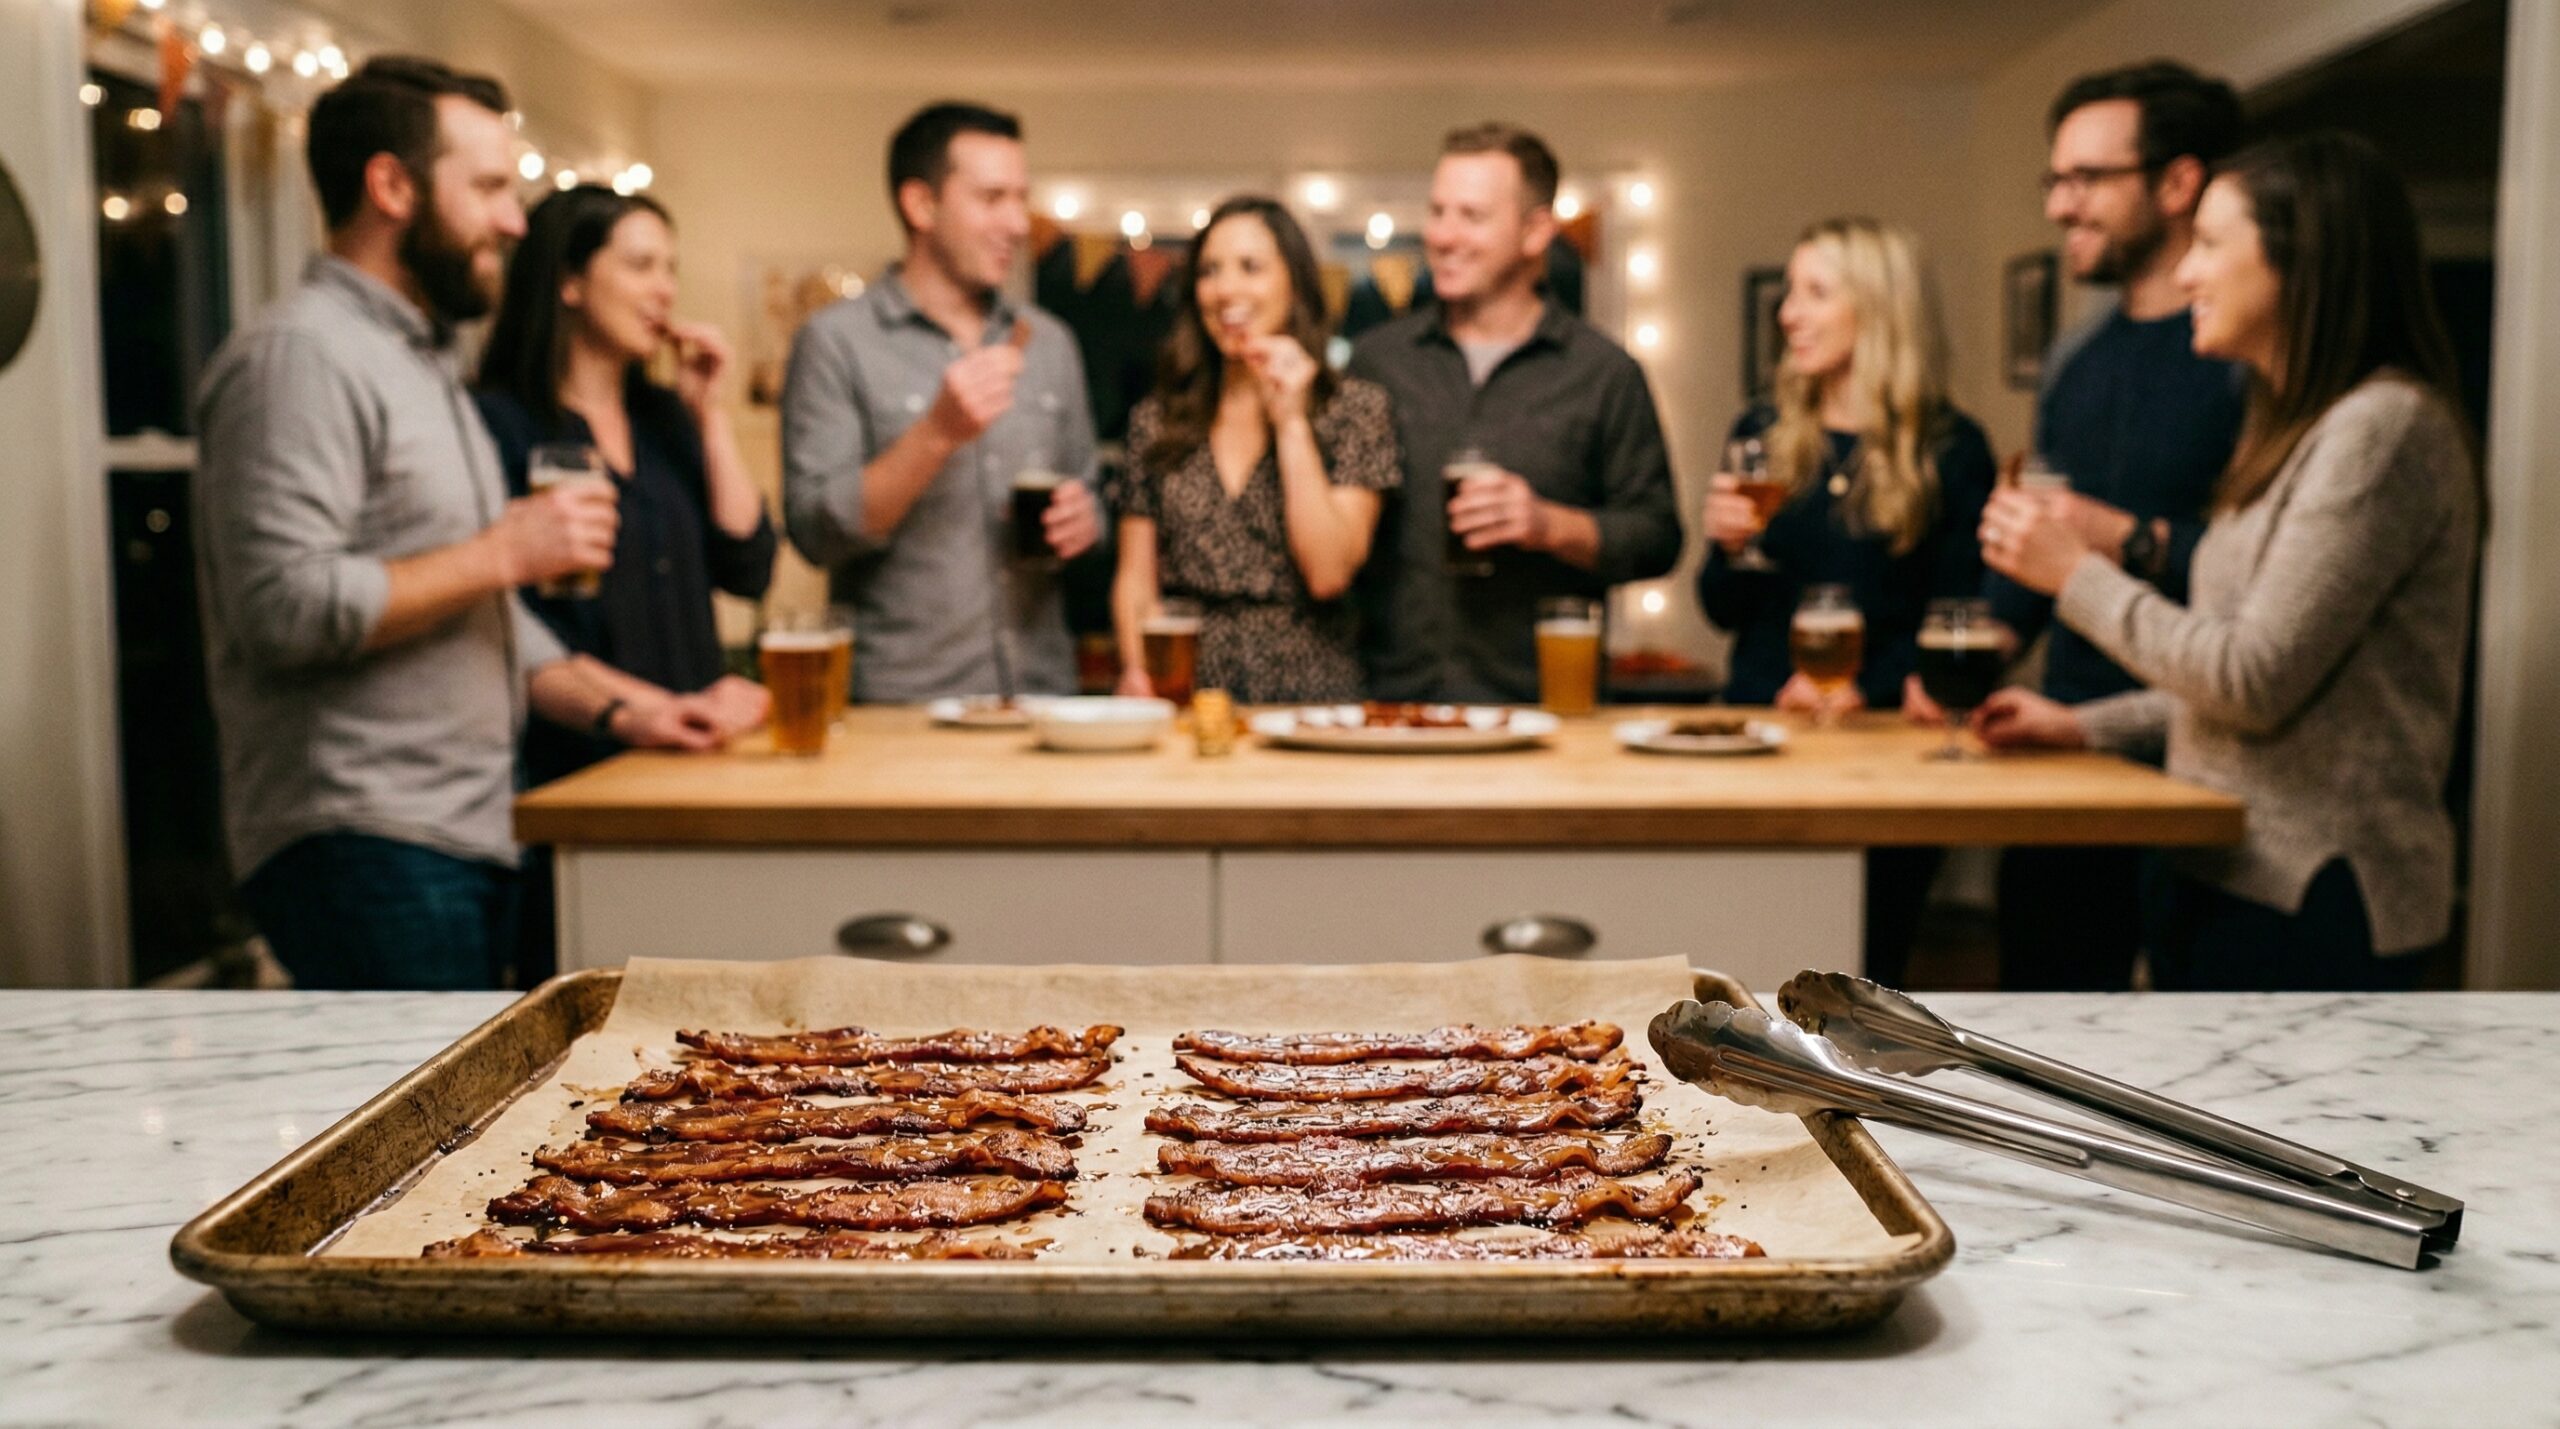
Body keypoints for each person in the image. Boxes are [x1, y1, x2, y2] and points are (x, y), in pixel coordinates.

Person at [193, 58, 730, 992]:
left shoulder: (421, 362)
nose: (516, 221)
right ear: (391, 185)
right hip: (366, 839)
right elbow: (279, 607)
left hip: (465, 832)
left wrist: (633, 708)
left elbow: (480, 611)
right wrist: (503, 550)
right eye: (488, 188)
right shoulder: (300, 357)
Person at [1976, 131, 2478, 993]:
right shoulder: (2286, 434)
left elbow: (2252, 678)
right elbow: (2232, 681)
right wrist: (2084, 725)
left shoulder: (2383, 429)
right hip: (2225, 865)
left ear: (2300, 261)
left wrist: (2074, 573)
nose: (2188, 274)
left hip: (2321, 889)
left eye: (2211, 244)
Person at [1980, 60, 2249, 992]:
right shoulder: (2075, 356)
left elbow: (2265, 574)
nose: (2060, 205)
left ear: (2178, 184)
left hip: (2201, 750)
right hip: (2065, 743)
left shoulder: (2245, 359)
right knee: (2041, 1010)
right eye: (2054, 180)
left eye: (2087, 178)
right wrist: (1985, 638)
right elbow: (2043, 543)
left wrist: (2121, 537)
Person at [475, 184, 780, 980]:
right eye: (641, 264)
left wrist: (710, 413)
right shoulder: (500, 423)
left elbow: (750, 563)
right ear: (569, 281)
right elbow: (512, 622)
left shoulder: (666, 421)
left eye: (671, 268)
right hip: (579, 772)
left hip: (693, 763)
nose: (665, 290)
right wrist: (645, 710)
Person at [1695, 216, 1995, 988]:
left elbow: (1959, 616)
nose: (1788, 311)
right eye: (1789, 291)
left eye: (1815, 292)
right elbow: (1721, 607)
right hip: (1760, 733)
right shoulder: (1761, 431)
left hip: (1890, 747)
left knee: (1865, 970)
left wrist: (1860, 686)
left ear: (1879, 307)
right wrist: (1727, 547)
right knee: (1744, 960)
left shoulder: (1952, 449)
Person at [780, 100, 1103, 702]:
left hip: (1042, 696)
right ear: (921, 205)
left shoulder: (1050, 342)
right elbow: (815, 533)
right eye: (991, 198)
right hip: (905, 706)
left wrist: (1086, 521)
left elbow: (1089, 496)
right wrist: (935, 434)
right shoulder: (836, 342)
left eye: (1020, 197)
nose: (1017, 222)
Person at [1348, 123, 1680, 703]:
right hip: (1392, 703)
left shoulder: (1603, 373)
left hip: (1540, 708)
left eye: (1471, 217)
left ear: (1535, 232)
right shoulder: (1379, 361)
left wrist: (1548, 524)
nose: (1443, 236)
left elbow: (1657, 537)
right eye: (1437, 212)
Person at [1108, 197, 1398, 703]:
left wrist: (1290, 422)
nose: (1226, 290)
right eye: (1210, 271)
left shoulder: (1355, 410)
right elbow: (1136, 577)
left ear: (1295, 283)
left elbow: (1329, 572)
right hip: (1185, 690)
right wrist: (1138, 671)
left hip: (1309, 699)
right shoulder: (1155, 420)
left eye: (1251, 268)